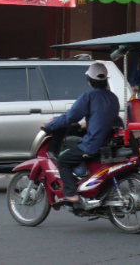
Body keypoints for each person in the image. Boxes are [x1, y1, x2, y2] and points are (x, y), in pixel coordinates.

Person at [41, 63, 120, 203]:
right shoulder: (113, 97)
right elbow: (103, 116)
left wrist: (49, 125)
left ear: (89, 80)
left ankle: (71, 194)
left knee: (64, 161)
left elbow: (70, 118)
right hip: (108, 141)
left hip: (94, 143)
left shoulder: (88, 96)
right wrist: (87, 124)